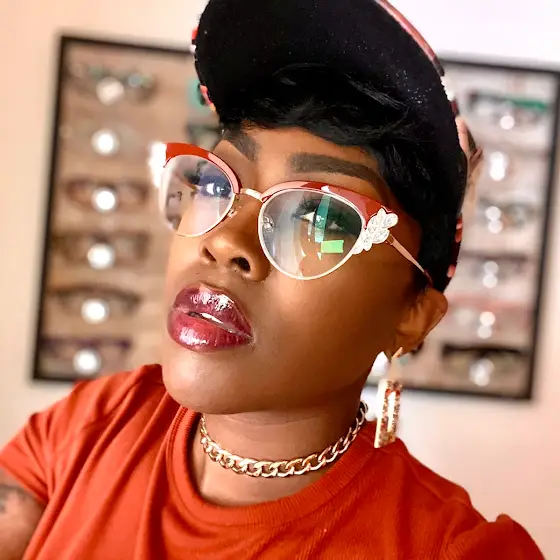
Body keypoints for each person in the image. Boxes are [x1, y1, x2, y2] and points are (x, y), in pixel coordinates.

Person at [0, 1, 545, 558]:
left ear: (413, 316)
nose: (226, 241)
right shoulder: (92, 427)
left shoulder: (452, 549)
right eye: (216, 184)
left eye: (318, 218)